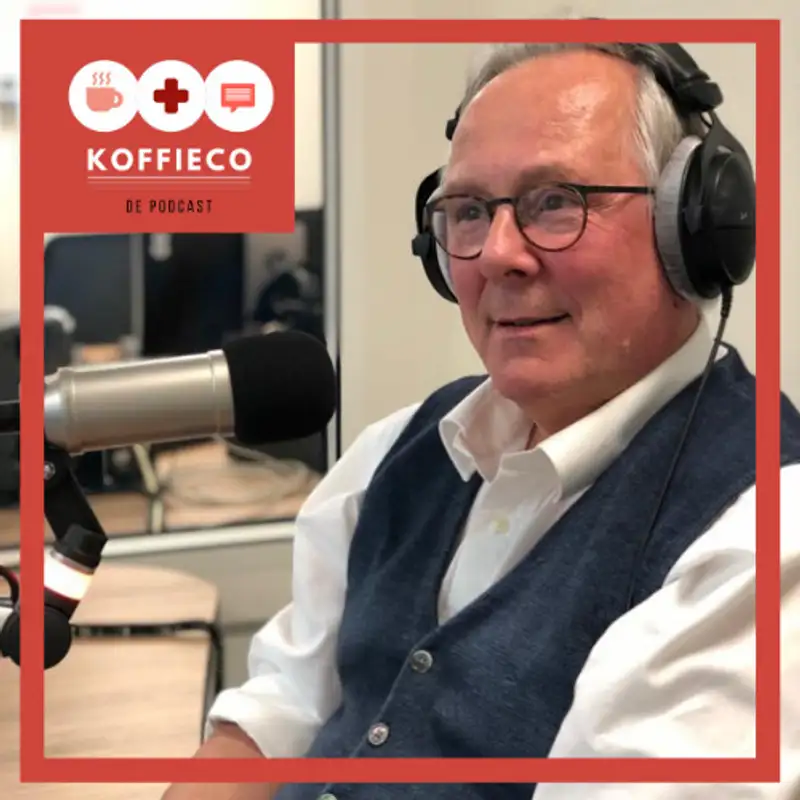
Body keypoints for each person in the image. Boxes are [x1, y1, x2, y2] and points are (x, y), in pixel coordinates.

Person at [162, 42, 800, 800]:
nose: (497, 254)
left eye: (556, 201)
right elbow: (275, 715)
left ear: (690, 227)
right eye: (467, 211)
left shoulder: (762, 537)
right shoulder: (399, 450)